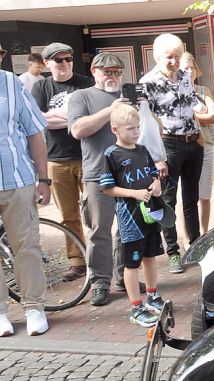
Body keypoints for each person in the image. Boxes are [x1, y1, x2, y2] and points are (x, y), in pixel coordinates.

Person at [69, 52, 152, 307]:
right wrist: (110, 109)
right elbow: (77, 130)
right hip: (98, 175)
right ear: (94, 71)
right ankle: (100, 283)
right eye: (107, 71)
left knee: (126, 231)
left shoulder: (128, 96)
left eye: (117, 71)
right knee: (100, 230)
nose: (113, 76)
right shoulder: (81, 96)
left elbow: (145, 130)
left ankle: (122, 275)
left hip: (131, 175)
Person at [140, 33, 204, 275]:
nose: (174, 62)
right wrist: (157, 157)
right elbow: (147, 122)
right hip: (169, 145)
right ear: (157, 57)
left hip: (192, 144)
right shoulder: (148, 82)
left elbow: (191, 106)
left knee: (191, 199)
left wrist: (198, 132)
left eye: (177, 57)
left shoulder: (186, 76)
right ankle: (173, 253)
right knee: (167, 200)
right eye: (169, 57)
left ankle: (196, 246)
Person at [98, 104, 166, 327]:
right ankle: (136, 307)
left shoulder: (142, 149)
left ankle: (152, 295)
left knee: (151, 257)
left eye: (137, 128)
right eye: (130, 129)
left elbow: (153, 173)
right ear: (115, 129)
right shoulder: (111, 154)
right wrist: (133, 193)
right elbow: (108, 188)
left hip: (150, 214)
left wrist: (156, 184)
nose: (136, 132)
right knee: (132, 263)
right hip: (131, 219)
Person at [0, 47, 52, 337]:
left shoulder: (11, 82)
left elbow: (34, 132)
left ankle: (34, 307)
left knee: (27, 246)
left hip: (18, 180)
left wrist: (43, 179)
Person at [32, 42, 93, 284]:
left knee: (95, 213)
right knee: (69, 214)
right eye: (58, 60)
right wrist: (73, 119)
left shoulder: (85, 83)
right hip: (56, 159)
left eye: (68, 59)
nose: (64, 63)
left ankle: (99, 261)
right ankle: (76, 261)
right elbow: (40, 120)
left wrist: (60, 118)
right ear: (47, 63)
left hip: (87, 156)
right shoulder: (41, 86)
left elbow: (89, 117)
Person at [179, 52, 214, 233]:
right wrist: (202, 117)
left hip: (207, 146)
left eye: (191, 67)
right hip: (183, 146)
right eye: (185, 68)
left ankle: (204, 234)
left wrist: (193, 116)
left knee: (205, 194)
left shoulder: (204, 91)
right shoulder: (174, 91)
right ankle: (187, 239)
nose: (189, 71)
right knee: (186, 197)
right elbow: (177, 119)